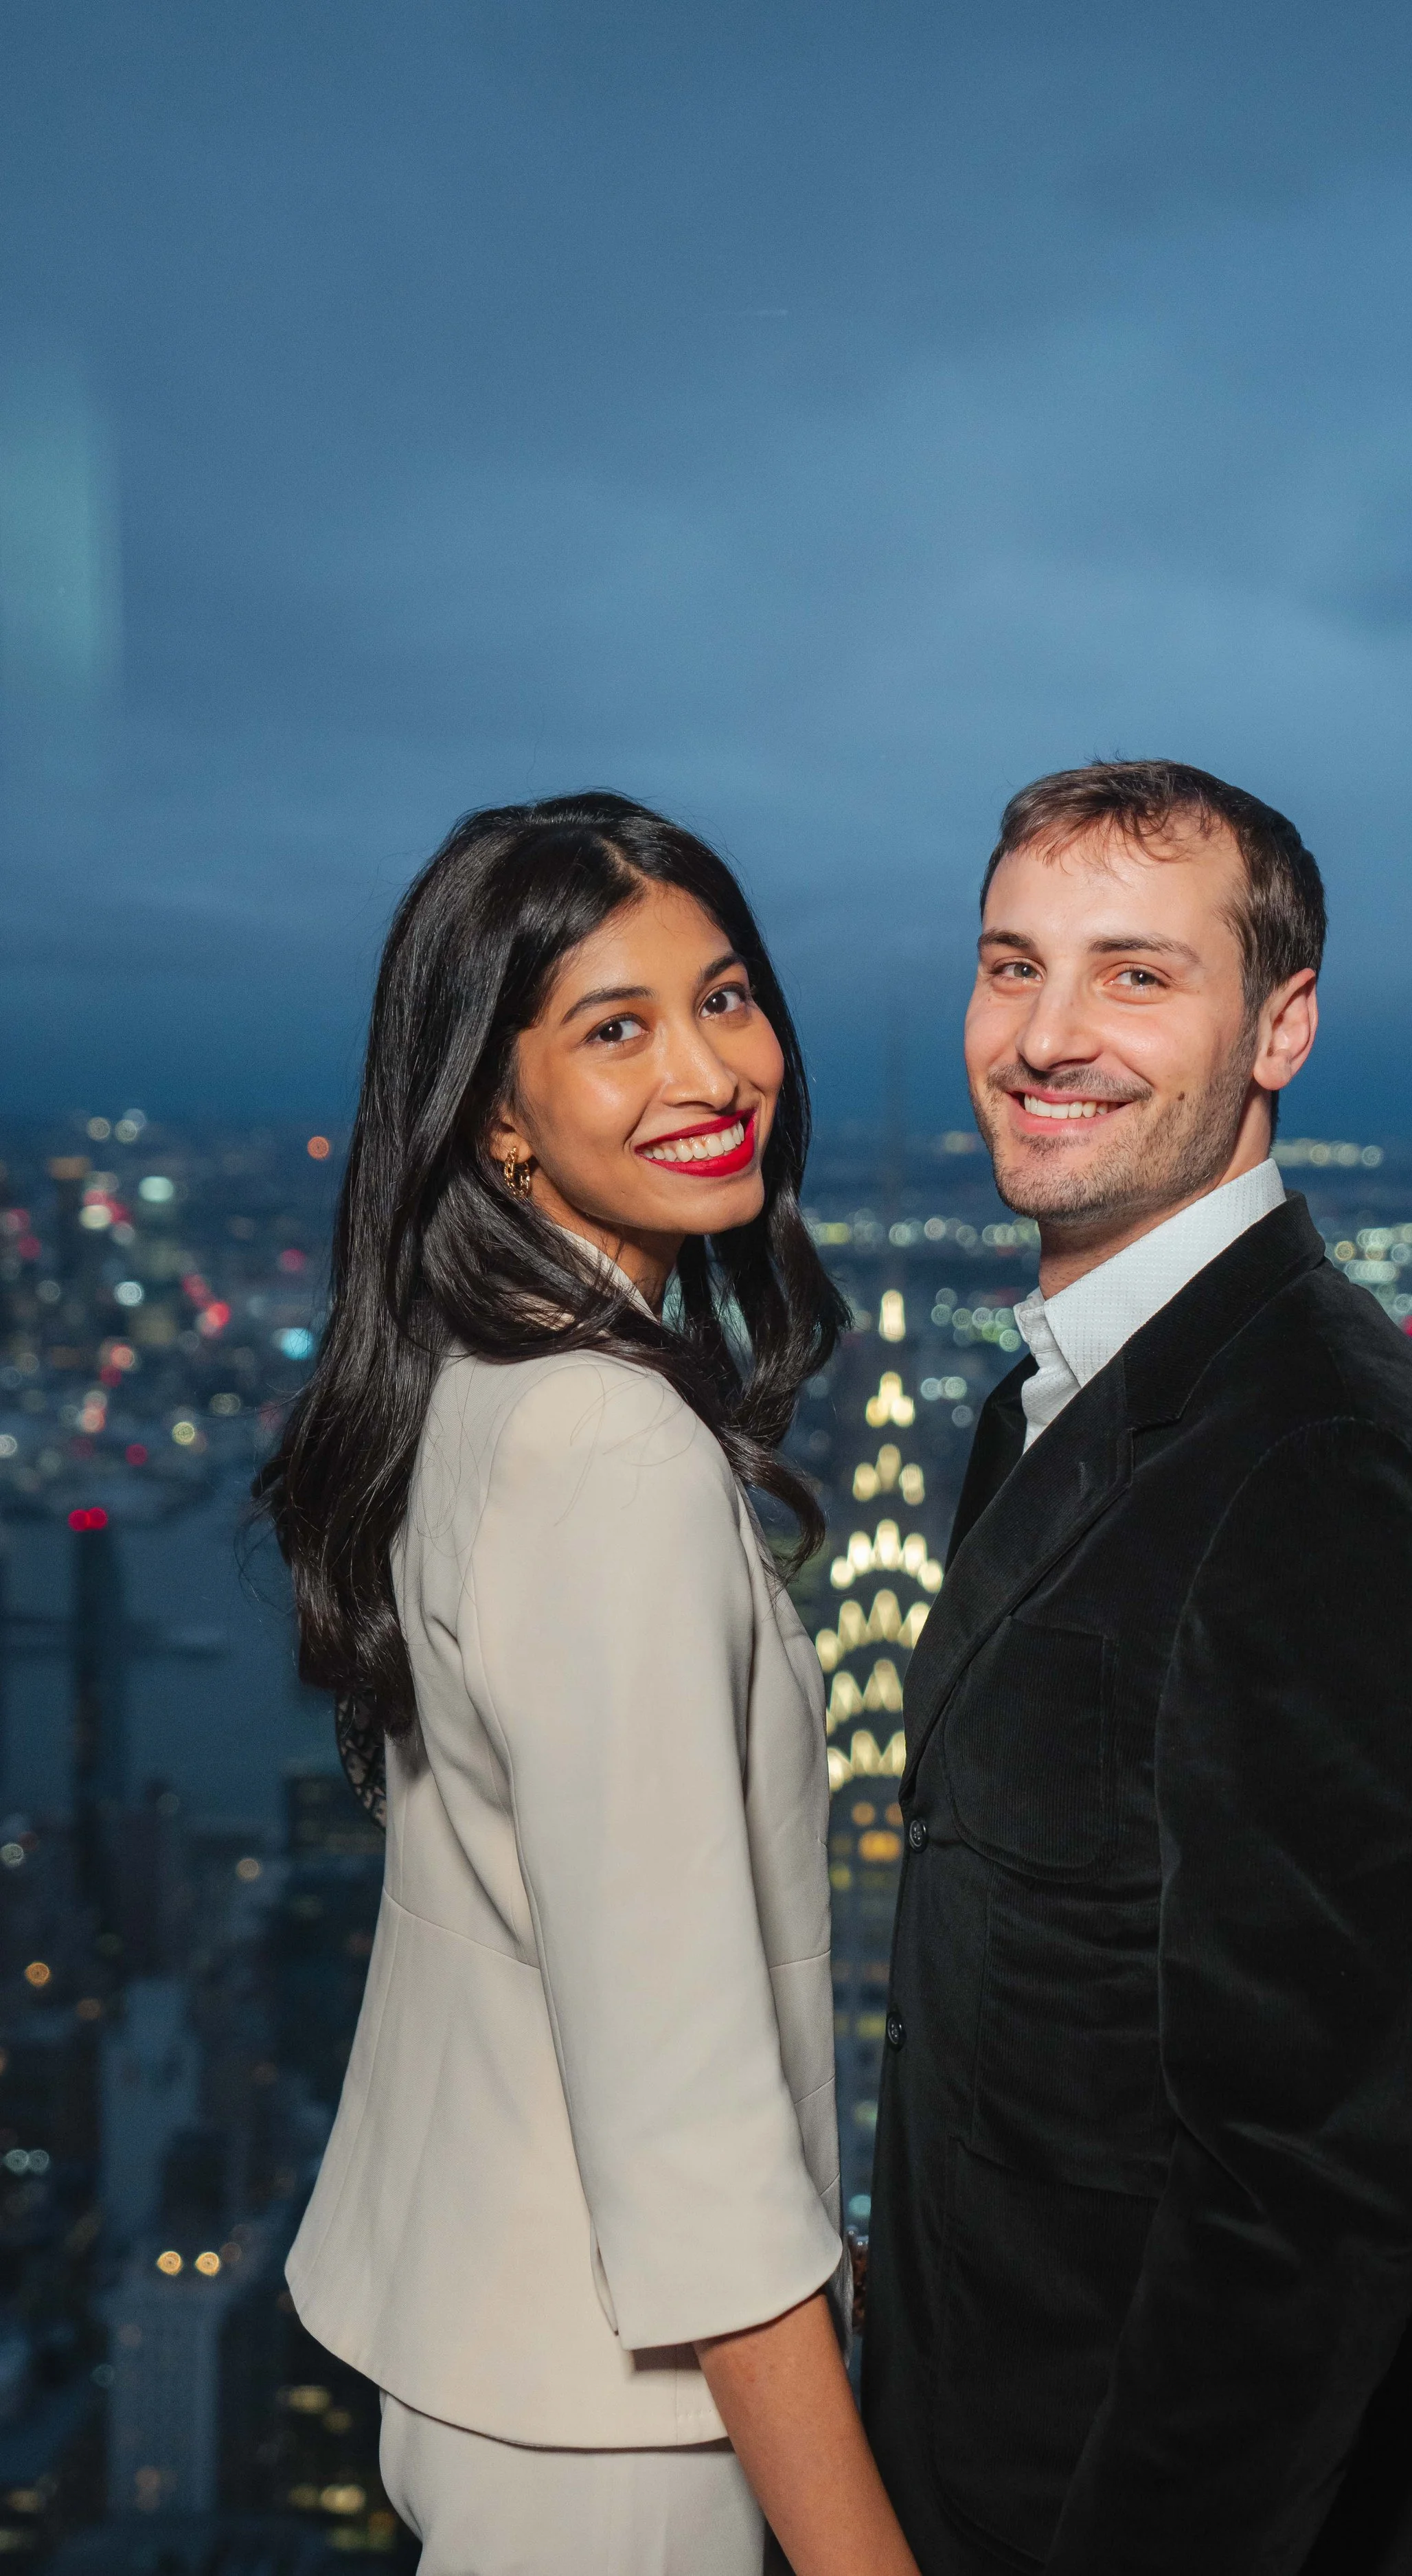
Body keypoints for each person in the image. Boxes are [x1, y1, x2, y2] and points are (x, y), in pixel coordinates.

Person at [259, 793, 919, 2576]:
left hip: (493, 2352)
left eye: (725, 997)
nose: (710, 1068)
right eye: (613, 1028)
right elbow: (688, 2133)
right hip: (617, 2421)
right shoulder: (609, 1449)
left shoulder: (477, 1378)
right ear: (495, 1109)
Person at [862, 762, 1412, 2575]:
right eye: (1010, 966)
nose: (1044, 1034)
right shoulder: (1053, 1399)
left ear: (1279, 1024)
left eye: (1135, 974)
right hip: (970, 2465)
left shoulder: (1320, 1453)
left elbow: (1297, 2201)